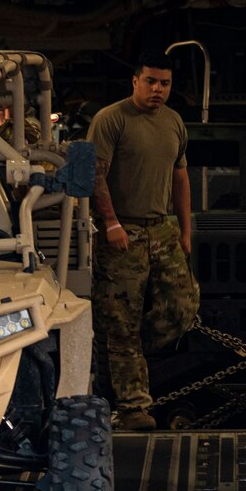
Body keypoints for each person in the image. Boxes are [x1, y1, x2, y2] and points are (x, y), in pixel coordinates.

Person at [88, 51, 200, 431]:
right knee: (120, 320)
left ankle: (121, 354)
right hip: (123, 232)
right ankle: (133, 407)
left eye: (164, 83)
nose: (157, 89)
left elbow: (181, 177)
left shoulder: (173, 122)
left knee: (182, 306)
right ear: (135, 81)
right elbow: (96, 175)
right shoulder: (111, 119)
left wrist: (184, 231)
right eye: (150, 81)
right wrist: (111, 223)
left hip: (161, 229)